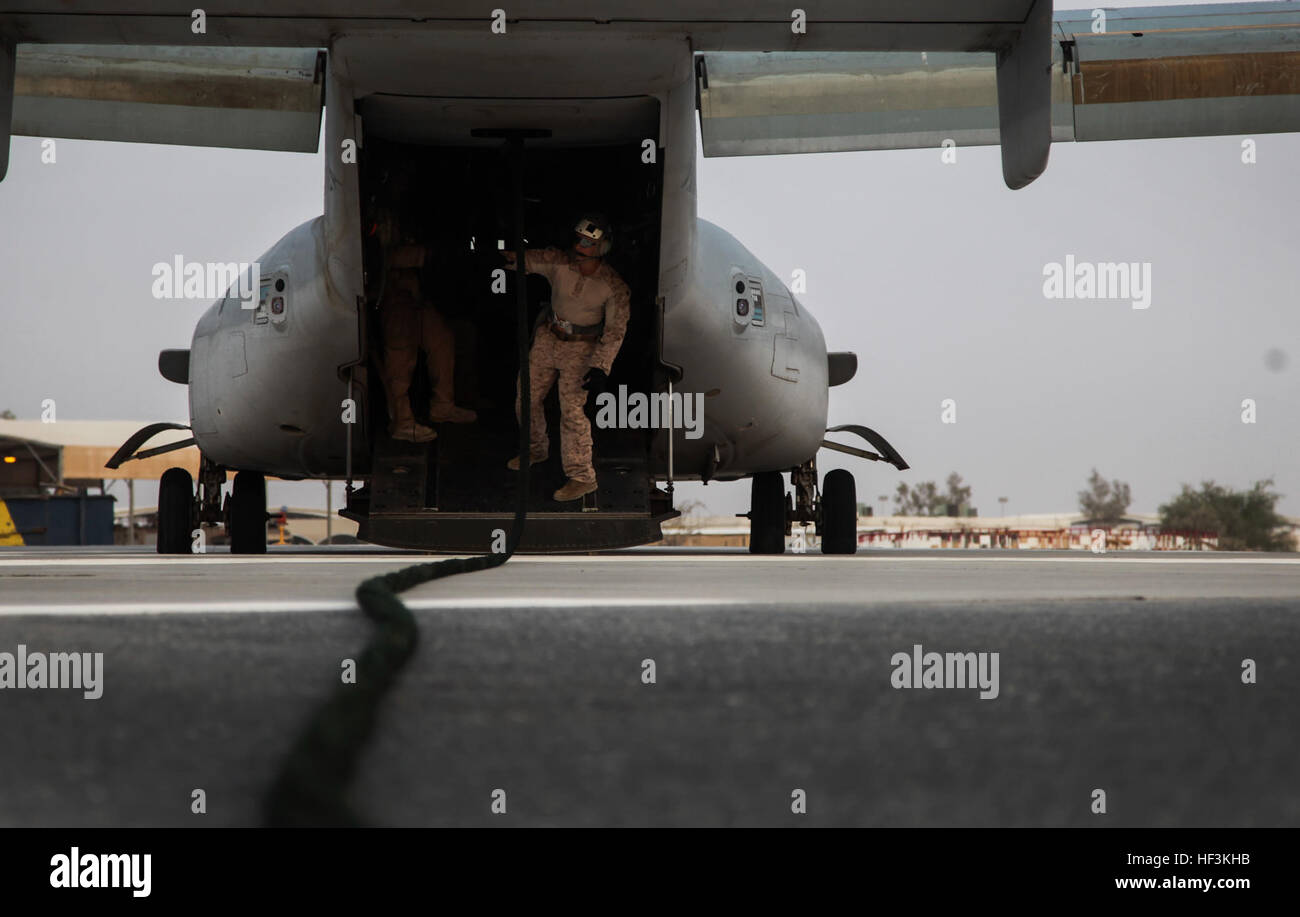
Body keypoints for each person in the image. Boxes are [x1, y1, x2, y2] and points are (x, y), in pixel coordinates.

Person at [503, 213, 631, 502]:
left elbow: (614, 331)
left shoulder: (613, 286)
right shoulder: (560, 263)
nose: (579, 247)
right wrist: (504, 257)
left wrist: (600, 367)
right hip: (550, 337)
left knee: (572, 411)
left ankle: (582, 477)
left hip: (582, 348)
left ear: (602, 248)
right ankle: (535, 449)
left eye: (587, 242)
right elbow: (529, 259)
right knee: (526, 396)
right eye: (578, 240)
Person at [371, 208, 476, 442]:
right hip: (393, 296)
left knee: (442, 342)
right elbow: (377, 257)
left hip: (417, 295)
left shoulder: (409, 217)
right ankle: (402, 422)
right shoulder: (378, 219)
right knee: (400, 362)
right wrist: (421, 255)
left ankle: (443, 406)